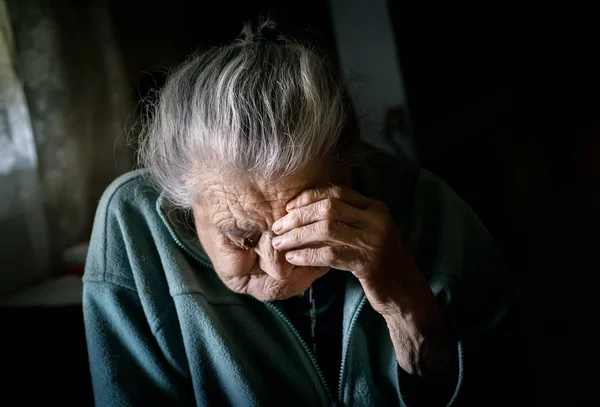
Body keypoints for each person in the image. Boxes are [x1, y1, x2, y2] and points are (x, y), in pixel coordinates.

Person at [83, 18, 515, 407]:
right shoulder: (132, 222)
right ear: (182, 202)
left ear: (351, 171)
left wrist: (408, 307)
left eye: (305, 226)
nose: (278, 269)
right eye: (243, 236)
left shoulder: (427, 207)